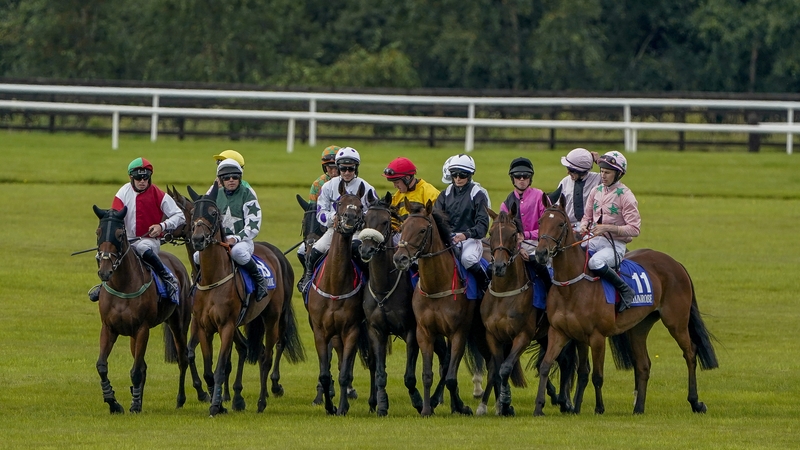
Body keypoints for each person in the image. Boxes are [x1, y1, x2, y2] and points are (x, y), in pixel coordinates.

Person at [88, 157, 185, 302]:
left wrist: (161, 226)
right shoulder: (123, 192)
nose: (142, 181)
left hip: (149, 240)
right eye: (138, 178)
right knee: (102, 255)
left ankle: (168, 278)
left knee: (142, 248)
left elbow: (180, 216)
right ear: (131, 178)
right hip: (126, 241)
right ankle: (104, 285)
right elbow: (114, 219)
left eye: (145, 178)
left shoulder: (158, 194)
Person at [297, 147, 377, 291]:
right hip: (334, 230)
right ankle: (308, 278)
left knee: (356, 250)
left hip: (357, 232)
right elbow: (321, 212)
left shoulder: (367, 187)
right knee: (316, 250)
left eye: (350, 169)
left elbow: (374, 212)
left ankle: (370, 283)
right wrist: (332, 219)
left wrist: (361, 220)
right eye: (343, 169)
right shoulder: (328, 186)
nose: (346, 173)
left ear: (356, 168)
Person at [579, 151, 640, 312]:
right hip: (594, 239)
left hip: (615, 246)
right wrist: (584, 226)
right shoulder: (596, 191)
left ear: (618, 174)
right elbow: (586, 217)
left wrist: (607, 228)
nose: (603, 176)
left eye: (607, 172)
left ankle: (626, 290)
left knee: (595, 263)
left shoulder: (626, 196)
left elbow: (634, 229)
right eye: (601, 172)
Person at [200, 158, 269, 301]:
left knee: (238, 252)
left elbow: (253, 225)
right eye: (226, 177)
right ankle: (199, 284)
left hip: (242, 241)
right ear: (221, 179)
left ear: (240, 178)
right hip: (218, 242)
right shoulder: (214, 195)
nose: (231, 180)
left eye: (235, 177)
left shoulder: (247, 194)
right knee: (197, 256)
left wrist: (235, 238)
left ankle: (260, 281)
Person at [434, 154, 490, 293]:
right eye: (454, 174)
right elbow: (436, 219)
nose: (458, 179)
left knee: (468, 259)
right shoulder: (444, 194)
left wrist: (465, 235)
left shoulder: (478, 194)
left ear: (470, 175)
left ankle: (486, 287)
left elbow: (483, 225)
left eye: (462, 175)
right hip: (448, 238)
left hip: (470, 239)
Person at [499, 157, 551, 290]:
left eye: (525, 176)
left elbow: (549, 228)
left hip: (539, 243)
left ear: (530, 178)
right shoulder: (506, 205)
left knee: (536, 261)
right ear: (513, 178)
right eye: (518, 176)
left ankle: (549, 289)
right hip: (515, 246)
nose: (522, 179)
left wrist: (526, 235)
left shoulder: (540, 196)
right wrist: (519, 248)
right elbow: (504, 234)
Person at [296, 145, 341, 290]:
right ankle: (308, 275)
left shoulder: (349, 181)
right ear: (324, 168)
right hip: (323, 228)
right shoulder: (318, 184)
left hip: (346, 228)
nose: (333, 171)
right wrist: (311, 236)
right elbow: (312, 212)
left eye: (336, 167)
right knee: (302, 251)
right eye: (329, 168)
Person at [381, 157, 440, 243]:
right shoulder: (397, 196)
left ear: (407, 178)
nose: (395, 186)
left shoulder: (430, 193)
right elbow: (392, 221)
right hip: (403, 236)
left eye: (397, 182)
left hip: (422, 239)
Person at [549, 148, 603, 232]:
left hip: (591, 229)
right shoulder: (565, 182)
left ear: (581, 171)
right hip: (569, 229)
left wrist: (600, 163)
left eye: (571, 170)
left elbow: (614, 181)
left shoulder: (598, 179)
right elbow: (557, 206)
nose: (568, 172)